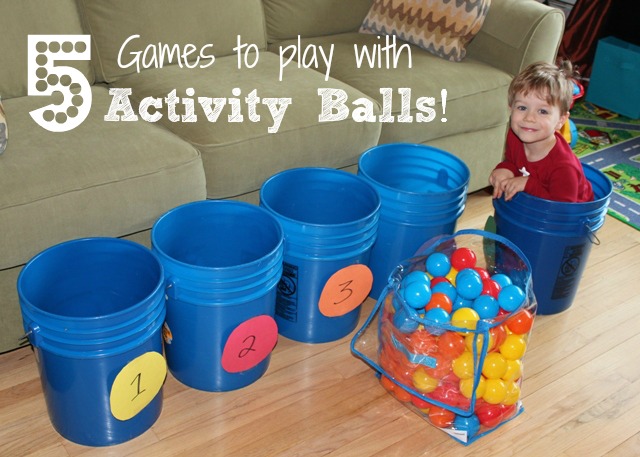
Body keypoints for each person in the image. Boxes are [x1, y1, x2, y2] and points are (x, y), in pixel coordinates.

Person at [489, 61, 594, 202]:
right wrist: (505, 169)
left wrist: (528, 184)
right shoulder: (516, 135)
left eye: (542, 111)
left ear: (561, 120)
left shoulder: (563, 167)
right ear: (510, 108)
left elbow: (562, 209)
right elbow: (513, 162)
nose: (529, 118)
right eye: (522, 108)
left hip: (569, 219)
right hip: (532, 212)